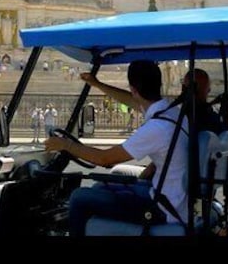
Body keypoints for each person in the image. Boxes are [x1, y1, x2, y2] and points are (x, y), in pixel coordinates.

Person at [44, 60, 190, 237]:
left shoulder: (156, 128)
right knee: (99, 188)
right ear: (158, 84)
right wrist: (98, 84)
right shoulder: (171, 112)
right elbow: (133, 100)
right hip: (170, 198)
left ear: (134, 89)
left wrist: (65, 144)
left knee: (78, 198)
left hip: (162, 208)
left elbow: (105, 160)